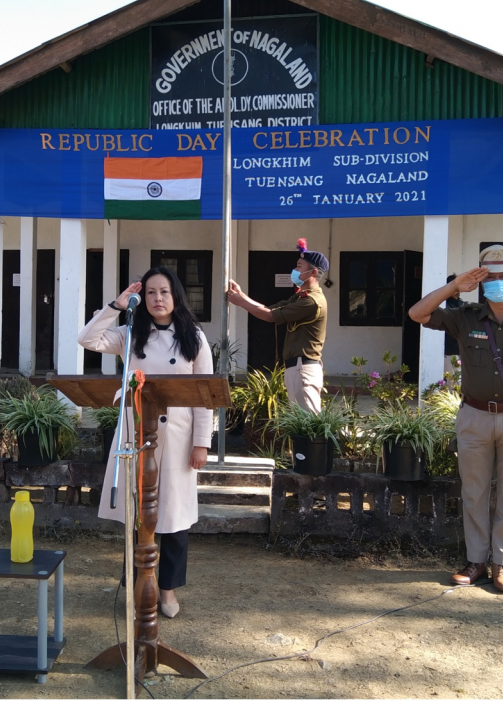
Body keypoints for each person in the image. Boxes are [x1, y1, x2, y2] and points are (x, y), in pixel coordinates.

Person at [409, 245, 503, 594]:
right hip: (474, 417)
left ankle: (501, 563)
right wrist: (453, 288)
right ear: (480, 281)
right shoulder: (465, 317)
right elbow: (417, 313)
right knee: (473, 493)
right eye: (489, 278)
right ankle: (475, 561)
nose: (496, 283)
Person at [79, 267, 213, 619]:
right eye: (150, 292)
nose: (157, 299)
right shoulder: (129, 333)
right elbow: (87, 339)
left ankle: (166, 590)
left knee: (174, 517)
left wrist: (202, 442)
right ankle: (139, 585)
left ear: (176, 296)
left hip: (178, 438)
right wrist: (116, 306)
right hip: (137, 435)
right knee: (138, 515)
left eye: (164, 292)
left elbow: (205, 395)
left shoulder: (194, 338)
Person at [227, 238, 328, 412]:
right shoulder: (300, 297)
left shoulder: (311, 301)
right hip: (296, 367)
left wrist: (240, 302)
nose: (295, 270)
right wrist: (241, 295)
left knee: (307, 426)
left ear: (313, 272)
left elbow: (269, 316)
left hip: (304, 367)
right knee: (299, 424)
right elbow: (268, 309)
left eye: (299, 266)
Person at [444, 273, 464, 358]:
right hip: (448, 350)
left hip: (460, 350)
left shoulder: (462, 304)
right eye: (455, 289)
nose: (458, 292)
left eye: (459, 288)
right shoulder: (443, 305)